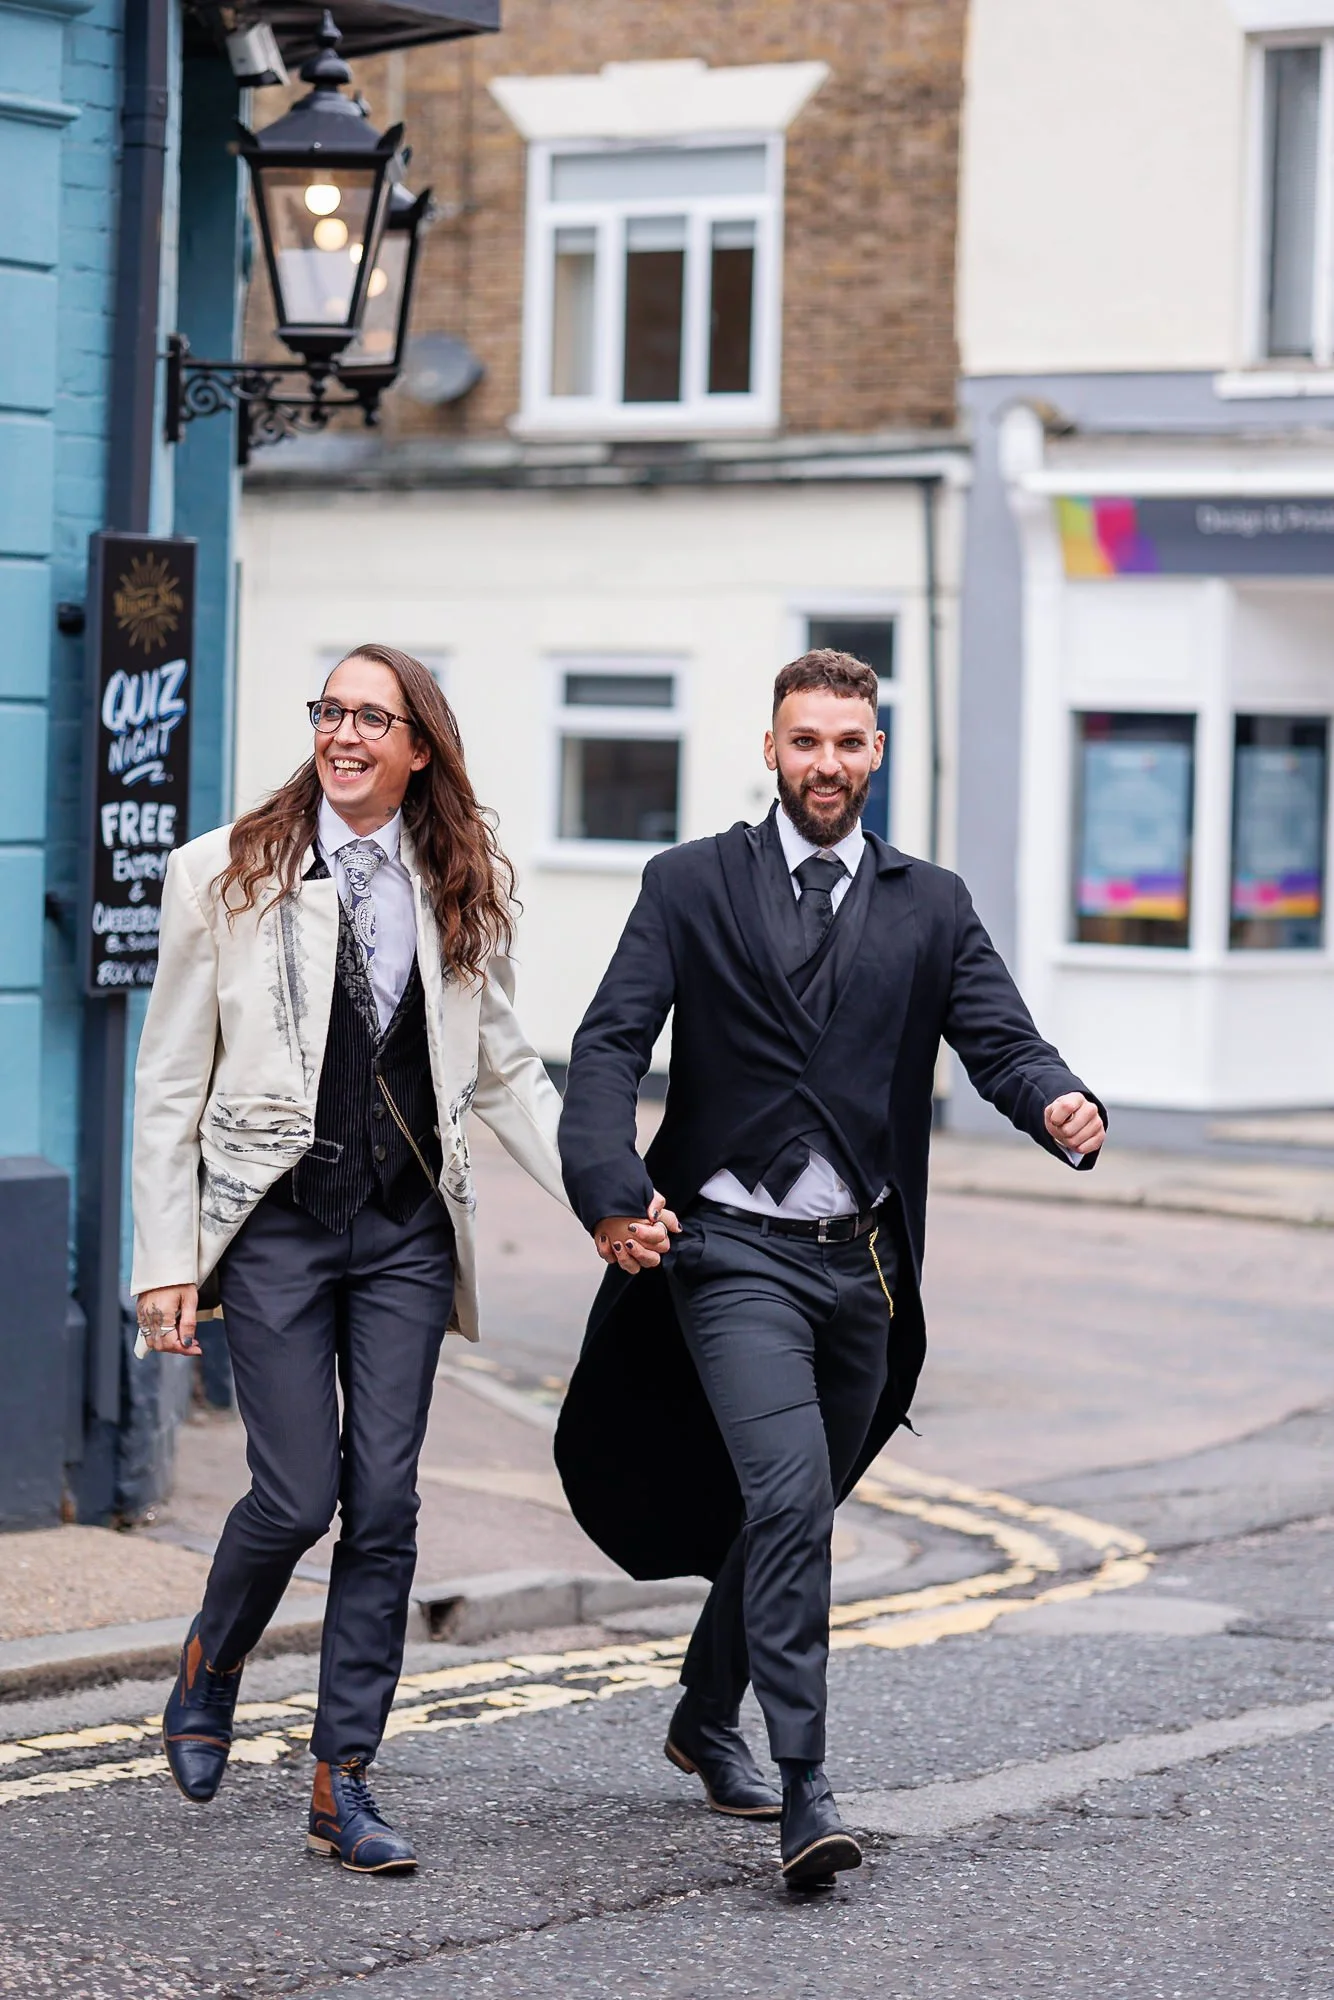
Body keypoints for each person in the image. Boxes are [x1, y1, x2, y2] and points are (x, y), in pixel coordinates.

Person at [554, 649, 1106, 1890]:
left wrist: (1058, 1100)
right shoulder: (688, 883)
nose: (828, 763)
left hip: (860, 1266)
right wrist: (606, 1184)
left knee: (792, 1502)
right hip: (729, 1251)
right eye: (805, 740)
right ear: (770, 749)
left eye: (849, 742)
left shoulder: (930, 902)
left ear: (875, 751)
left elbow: (999, 1039)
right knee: (792, 1495)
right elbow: (604, 1051)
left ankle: (703, 1711)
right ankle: (806, 1784)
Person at [131, 644, 672, 1873]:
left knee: (384, 1501)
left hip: (404, 1229)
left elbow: (503, 1071)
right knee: (295, 1493)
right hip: (272, 1222)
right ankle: (209, 1662)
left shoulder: (457, 880)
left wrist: (606, 1193)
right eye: (330, 710)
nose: (345, 733)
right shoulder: (222, 872)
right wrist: (167, 1257)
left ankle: (342, 1781)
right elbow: (168, 1079)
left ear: (418, 744)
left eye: (373, 716)